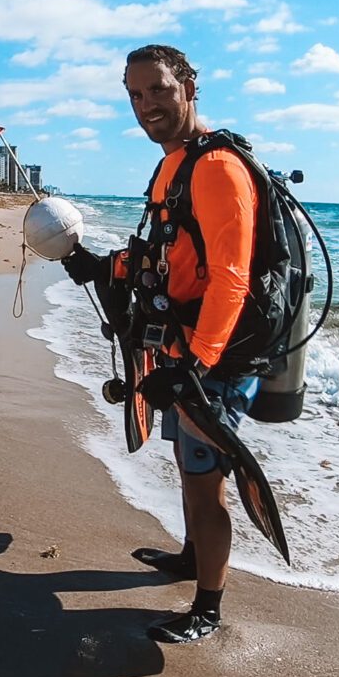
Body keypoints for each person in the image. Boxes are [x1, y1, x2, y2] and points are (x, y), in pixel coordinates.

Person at [62, 43, 261, 644]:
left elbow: (232, 277)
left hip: (214, 357)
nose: (145, 104)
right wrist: (104, 267)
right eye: (134, 94)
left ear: (189, 87)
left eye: (158, 90)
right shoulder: (174, 162)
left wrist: (195, 365)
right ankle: (188, 556)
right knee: (187, 463)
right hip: (180, 347)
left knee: (206, 478)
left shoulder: (218, 167)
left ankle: (207, 606)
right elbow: (168, 250)